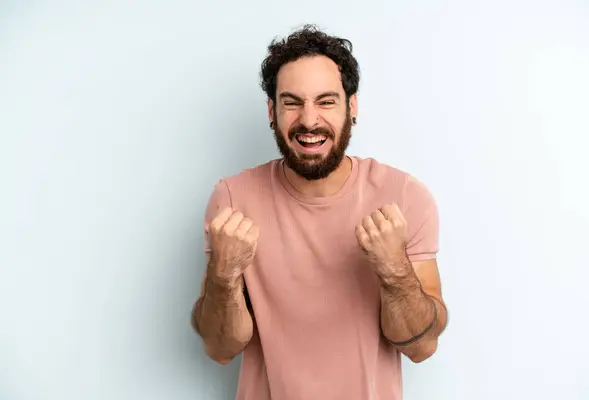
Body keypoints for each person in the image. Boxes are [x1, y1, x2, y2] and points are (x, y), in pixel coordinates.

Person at [191, 24, 448, 400]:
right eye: (292, 102)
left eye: (326, 101)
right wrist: (224, 275)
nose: (309, 121)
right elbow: (219, 348)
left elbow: (421, 347)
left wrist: (394, 269)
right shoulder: (232, 199)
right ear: (271, 110)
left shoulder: (404, 197)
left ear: (352, 105)